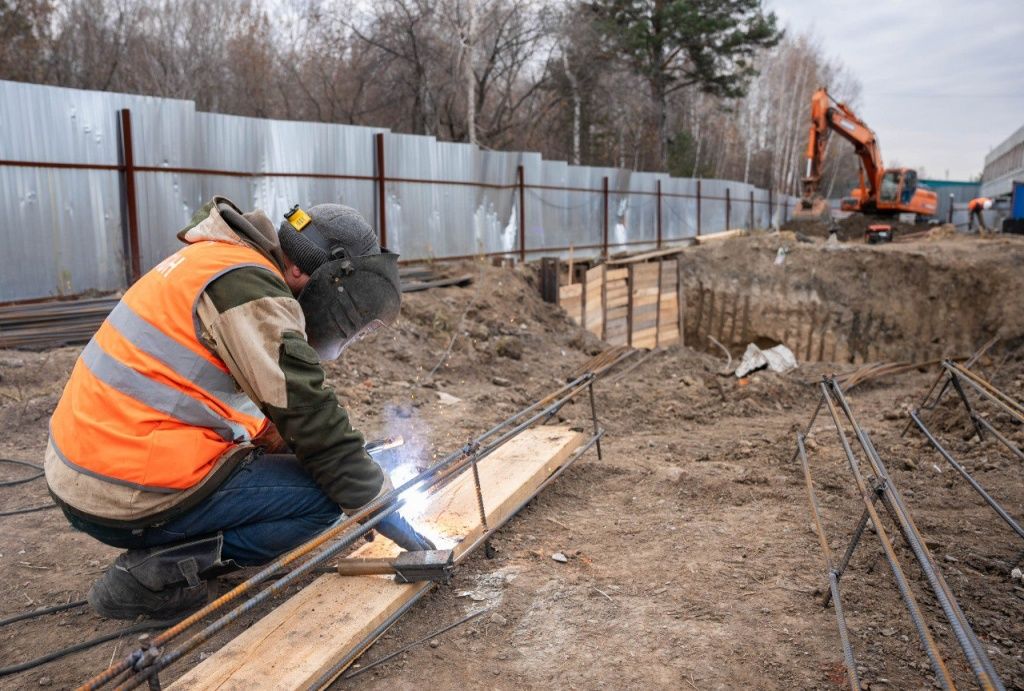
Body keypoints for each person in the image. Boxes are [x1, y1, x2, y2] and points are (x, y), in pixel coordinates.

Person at [45, 196, 434, 620]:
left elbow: (272, 407)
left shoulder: (217, 260)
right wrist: (382, 510)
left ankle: (170, 552)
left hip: (86, 468)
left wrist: (334, 458)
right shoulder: (249, 291)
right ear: (302, 269)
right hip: (124, 487)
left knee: (330, 476)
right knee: (325, 499)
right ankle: (156, 573)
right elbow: (310, 413)